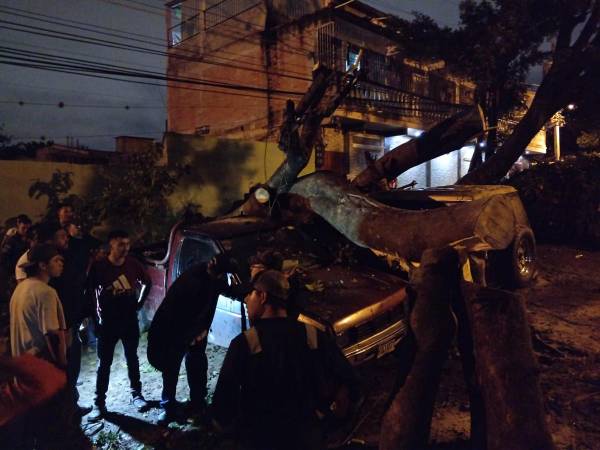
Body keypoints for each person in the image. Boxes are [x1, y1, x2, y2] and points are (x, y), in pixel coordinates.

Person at [211, 270, 361, 450]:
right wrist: (331, 416)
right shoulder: (312, 334)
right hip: (308, 437)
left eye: (249, 294)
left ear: (262, 296)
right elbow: (350, 381)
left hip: (261, 439)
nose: (245, 300)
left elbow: (223, 403)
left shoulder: (245, 343)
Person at [147, 254, 240, 424]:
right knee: (171, 367)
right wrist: (192, 334)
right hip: (175, 331)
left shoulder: (216, 280)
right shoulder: (192, 281)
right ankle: (168, 407)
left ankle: (198, 401)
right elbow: (178, 314)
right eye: (211, 264)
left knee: (196, 362)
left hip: (197, 331)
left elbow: (226, 291)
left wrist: (247, 292)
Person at [86, 229, 151, 421]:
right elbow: (89, 292)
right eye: (121, 244)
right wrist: (94, 318)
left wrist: (139, 303)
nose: (125, 248)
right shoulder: (99, 267)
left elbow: (147, 282)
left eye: (127, 244)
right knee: (104, 363)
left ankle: (136, 394)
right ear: (111, 245)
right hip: (108, 322)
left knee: (132, 357)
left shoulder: (133, 263)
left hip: (129, 320)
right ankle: (100, 403)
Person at [0, 214, 31, 295]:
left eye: (27, 228)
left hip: (24, 272)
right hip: (13, 273)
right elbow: (4, 258)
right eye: (23, 228)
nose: (26, 230)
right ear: (18, 225)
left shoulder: (28, 240)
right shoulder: (12, 241)